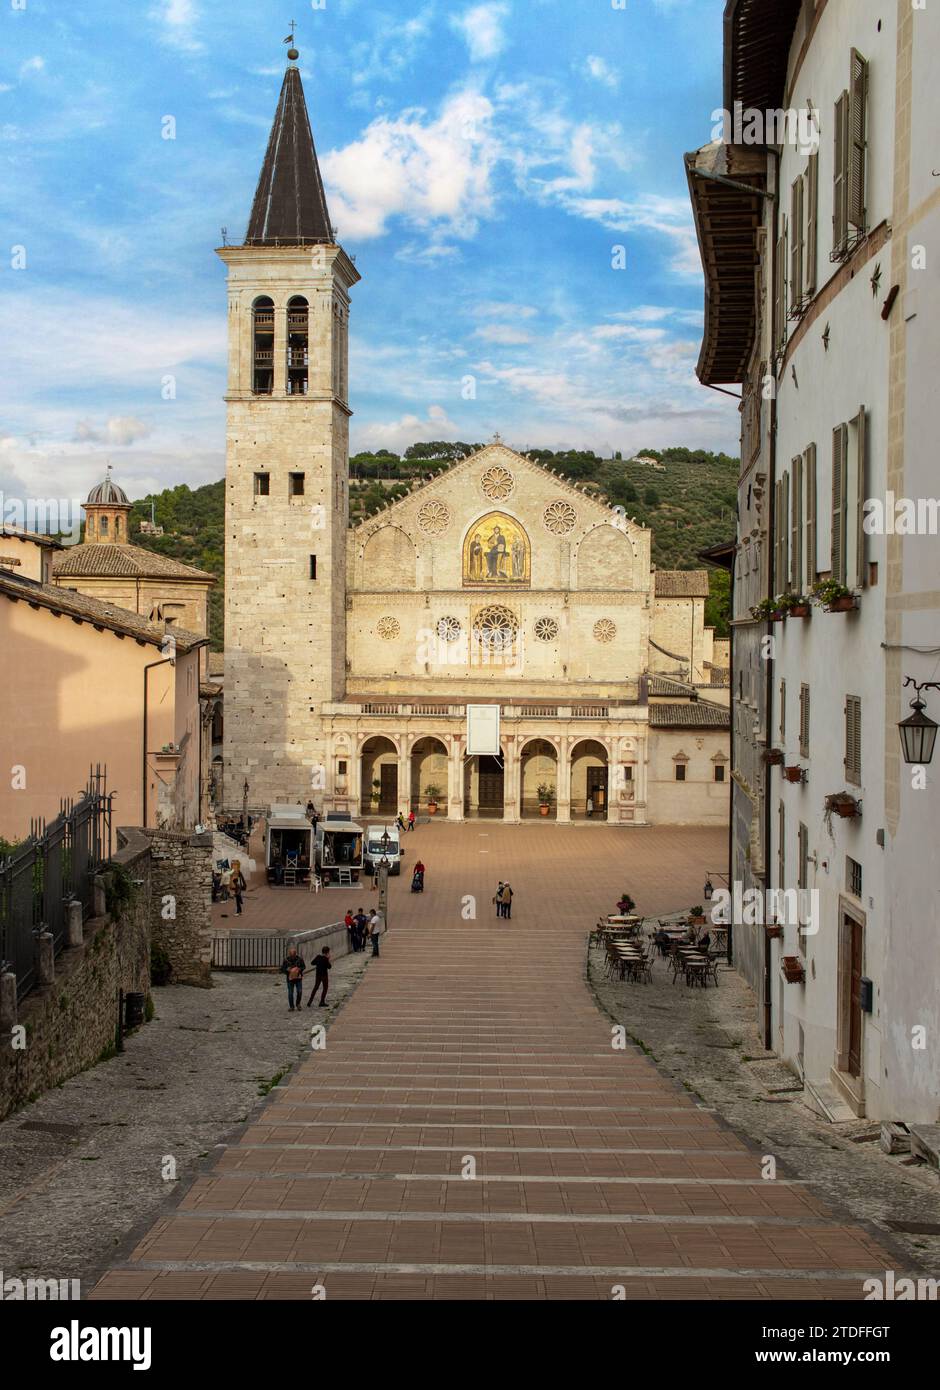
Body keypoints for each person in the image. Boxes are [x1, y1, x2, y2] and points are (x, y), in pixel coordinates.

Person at [280, 945, 305, 1011]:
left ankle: (298, 1004)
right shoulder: (286, 960)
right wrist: (287, 970)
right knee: (290, 993)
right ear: (289, 955)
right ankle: (291, 1006)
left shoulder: (300, 959)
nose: (292, 957)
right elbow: (282, 969)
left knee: (299, 991)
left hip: (298, 978)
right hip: (290, 979)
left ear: (295, 954)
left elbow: (303, 967)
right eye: (291, 955)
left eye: (293, 955)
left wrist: (299, 969)